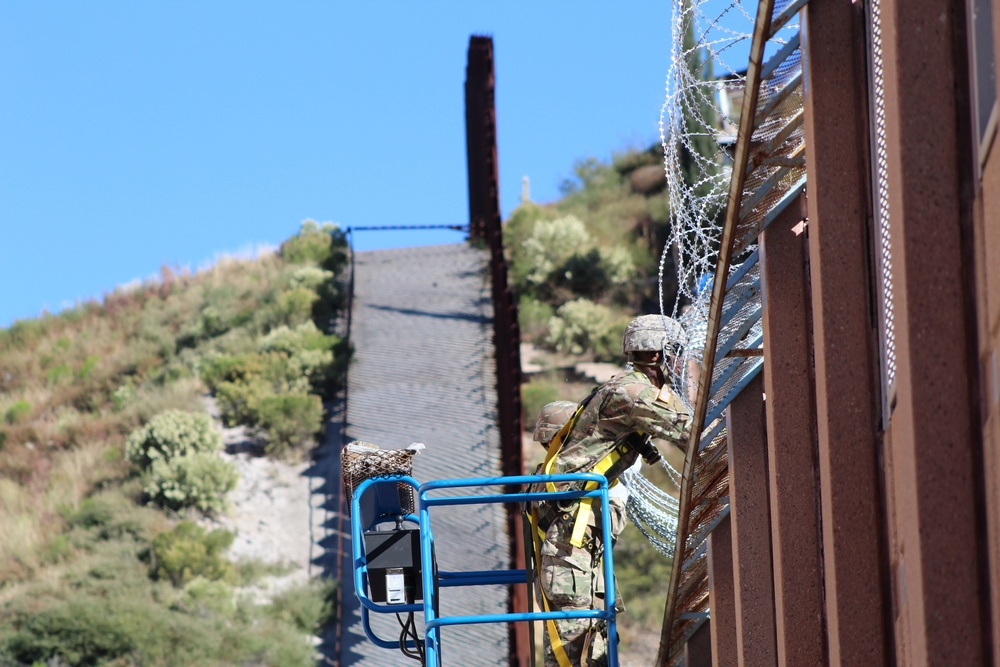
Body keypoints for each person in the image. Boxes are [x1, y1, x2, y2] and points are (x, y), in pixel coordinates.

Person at [529, 314, 692, 667]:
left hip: (577, 531)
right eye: (676, 352)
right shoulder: (633, 392)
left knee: (594, 642)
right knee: (575, 647)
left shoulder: (626, 387)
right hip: (571, 534)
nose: (682, 361)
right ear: (655, 355)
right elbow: (694, 436)